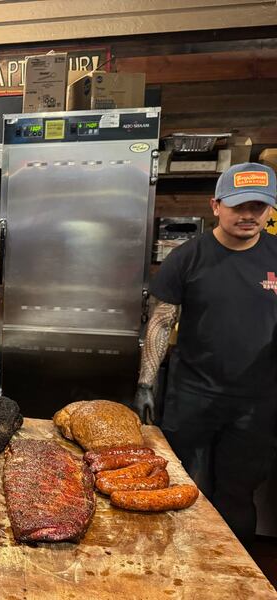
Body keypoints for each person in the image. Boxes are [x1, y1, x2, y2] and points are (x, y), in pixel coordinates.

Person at [133, 162, 277, 544]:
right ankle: (178, 559)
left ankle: (233, 569)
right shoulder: (187, 257)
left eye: (258, 206)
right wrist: (146, 384)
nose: (248, 215)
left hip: (257, 402)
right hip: (193, 395)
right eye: (238, 206)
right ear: (216, 206)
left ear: (270, 209)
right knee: (182, 484)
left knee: (237, 492)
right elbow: (161, 322)